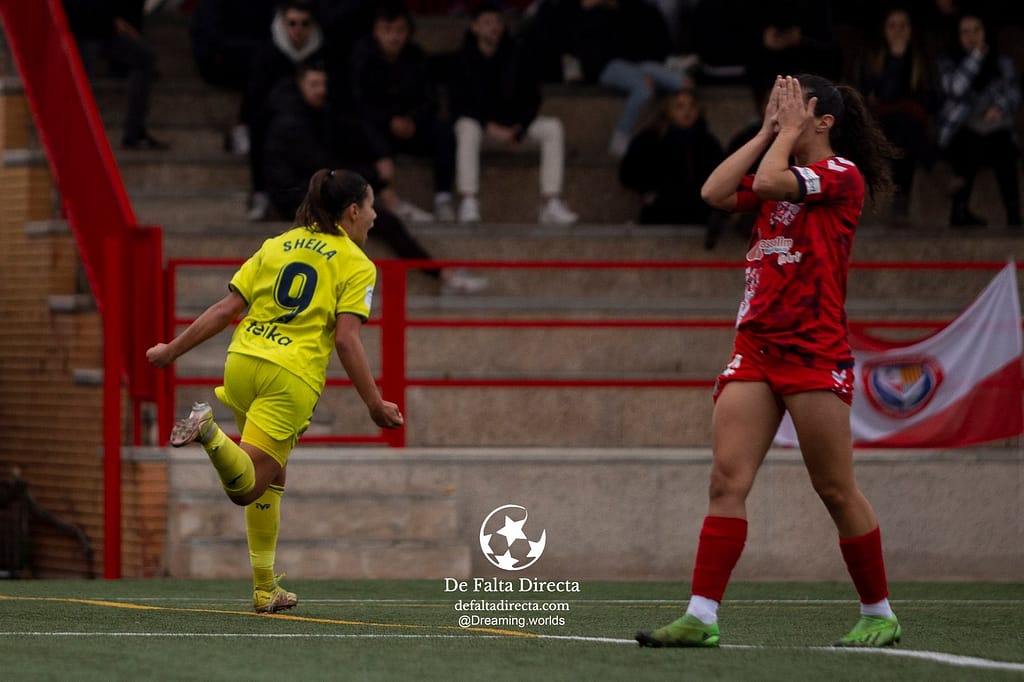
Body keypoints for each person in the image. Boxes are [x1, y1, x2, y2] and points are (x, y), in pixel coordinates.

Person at [636, 74, 902, 648]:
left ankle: (879, 612)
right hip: (755, 349)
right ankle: (701, 616)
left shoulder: (839, 175)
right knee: (726, 481)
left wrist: (784, 135)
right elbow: (713, 192)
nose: (779, 112)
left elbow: (780, 180)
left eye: (792, 105)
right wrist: (765, 131)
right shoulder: (776, 168)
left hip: (813, 351)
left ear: (823, 121)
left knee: (834, 488)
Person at [146, 168, 405, 613]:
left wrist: (172, 349)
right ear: (353, 211)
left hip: (243, 363)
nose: (376, 217)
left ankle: (265, 588)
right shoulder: (357, 263)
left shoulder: (277, 245)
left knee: (272, 476)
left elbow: (227, 308)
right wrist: (373, 403)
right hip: (290, 376)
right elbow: (345, 338)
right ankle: (208, 433)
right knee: (246, 487)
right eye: (372, 207)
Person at [263, 62, 487, 294]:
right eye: (314, 84)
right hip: (296, 199)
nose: (321, 89)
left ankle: (391, 201)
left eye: (323, 83)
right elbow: (320, 168)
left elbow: (355, 131)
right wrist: (373, 176)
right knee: (384, 221)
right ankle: (443, 276)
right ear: (300, 86)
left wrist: (380, 158)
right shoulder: (291, 123)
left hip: (316, 191)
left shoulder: (318, 113)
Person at [448, 2, 578, 225]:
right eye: (487, 23)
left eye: (497, 22)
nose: (494, 27)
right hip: (483, 131)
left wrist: (520, 127)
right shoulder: (463, 59)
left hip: (514, 130)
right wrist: (491, 127)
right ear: (475, 28)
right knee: (466, 126)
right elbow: (459, 105)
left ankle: (550, 202)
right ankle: (469, 200)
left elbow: (533, 97)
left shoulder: (517, 54)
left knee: (552, 127)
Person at [349, 4, 457, 222]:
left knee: (444, 132)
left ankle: (443, 198)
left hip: (411, 128)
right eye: (387, 30)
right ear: (376, 31)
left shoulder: (417, 58)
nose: (394, 37)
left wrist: (411, 119)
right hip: (377, 132)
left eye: (399, 31)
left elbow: (430, 99)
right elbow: (359, 105)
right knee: (355, 131)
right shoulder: (362, 58)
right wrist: (388, 124)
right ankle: (384, 199)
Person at [936, 12, 1022, 227]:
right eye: (965, 32)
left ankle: (1014, 215)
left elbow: (1014, 94)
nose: (972, 36)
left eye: (977, 30)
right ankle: (959, 212)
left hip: (995, 128)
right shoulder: (947, 62)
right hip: (961, 129)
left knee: (1004, 146)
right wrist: (976, 58)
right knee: (970, 142)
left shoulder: (1002, 62)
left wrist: (999, 107)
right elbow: (955, 89)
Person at [853, 6, 936, 225]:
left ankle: (901, 201)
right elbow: (877, 96)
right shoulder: (873, 58)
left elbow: (930, 99)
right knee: (902, 128)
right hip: (880, 123)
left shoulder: (921, 59)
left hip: (908, 125)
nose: (898, 31)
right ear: (884, 30)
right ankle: (930, 170)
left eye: (903, 26)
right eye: (893, 26)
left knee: (905, 131)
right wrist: (896, 62)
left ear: (911, 30)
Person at [244, 0, 326, 220]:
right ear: (283, 23)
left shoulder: (322, 54)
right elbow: (255, 98)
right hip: (276, 119)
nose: (298, 30)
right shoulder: (267, 53)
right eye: (292, 23)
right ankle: (262, 193)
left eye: (304, 24)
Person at [62, 0, 168, 149]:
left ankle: (135, 132)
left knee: (145, 59)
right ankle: (70, 139)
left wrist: (115, 20)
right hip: (82, 28)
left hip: (102, 26)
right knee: (79, 83)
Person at [618, 88, 725, 226]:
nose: (687, 111)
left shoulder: (707, 142)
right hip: (660, 211)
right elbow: (627, 173)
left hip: (698, 213)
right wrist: (650, 191)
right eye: (679, 106)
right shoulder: (650, 139)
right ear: (668, 109)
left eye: (692, 105)